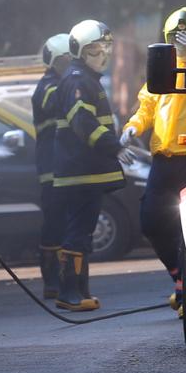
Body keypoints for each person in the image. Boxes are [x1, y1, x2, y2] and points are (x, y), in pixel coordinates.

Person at [121, 7, 186, 313]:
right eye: (175, 35)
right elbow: (147, 105)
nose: (181, 39)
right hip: (163, 160)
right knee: (152, 221)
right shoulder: (162, 70)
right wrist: (133, 127)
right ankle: (180, 279)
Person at [52, 19, 125, 312]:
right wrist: (114, 145)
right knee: (78, 231)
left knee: (84, 231)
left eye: (106, 49)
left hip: (87, 173)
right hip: (79, 173)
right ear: (79, 52)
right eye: (95, 50)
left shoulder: (85, 78)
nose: (103, 56)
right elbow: (82, 121)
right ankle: (68, 291)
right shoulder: (76, 80)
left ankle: (79, 290)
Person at [31, 32, 72, 299]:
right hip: (52, 170)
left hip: (67, 167)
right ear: (54, 61)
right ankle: (52, 280)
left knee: (68, 225)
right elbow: (57, 103)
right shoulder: (48, 86)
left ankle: (68, 278)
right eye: (66, 60)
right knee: (54, 225)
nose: (70, 65)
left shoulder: (67, 82)